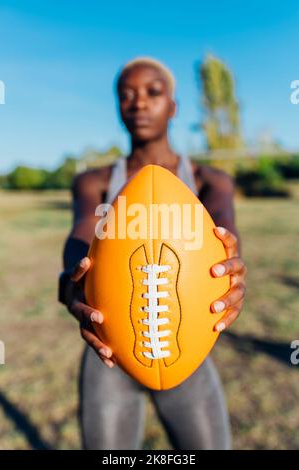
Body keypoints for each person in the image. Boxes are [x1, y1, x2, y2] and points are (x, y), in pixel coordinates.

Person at [58, 57, 247, 450]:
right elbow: (80, 238)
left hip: (186, 349)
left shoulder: (210, 180)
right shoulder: (93, 181)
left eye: (152, 92)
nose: (139, 103)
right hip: (107, 351)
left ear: (173, 106)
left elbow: (227, 239)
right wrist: (72, 280)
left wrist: (233, 269)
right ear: (118, 108)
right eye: (126, 95)